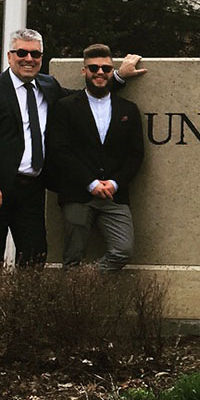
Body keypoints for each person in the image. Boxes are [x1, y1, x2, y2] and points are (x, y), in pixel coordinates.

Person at [1, 29, 144, 266]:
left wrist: (118, 76)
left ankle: (22, 303)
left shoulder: (48, 86)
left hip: (32, 189)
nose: (29, 58)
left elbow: (88, 99)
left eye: (35, 53)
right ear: (9, 56)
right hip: (2, 187)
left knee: (34, 257)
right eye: (22, 52)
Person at [45, 44, 146, 271]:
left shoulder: (128, 109)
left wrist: (114, 183)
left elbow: (135, 154)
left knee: (122, 251)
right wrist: (90, 183)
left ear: (112, 72)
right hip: (77, 193)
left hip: (114, 196)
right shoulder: (65, 107)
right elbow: (60, 150)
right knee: (73, 258)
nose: (100, 72)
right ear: (84, 71)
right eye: (93, 68)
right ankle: (75, 300)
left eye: (106, 68)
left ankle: (82, 286)